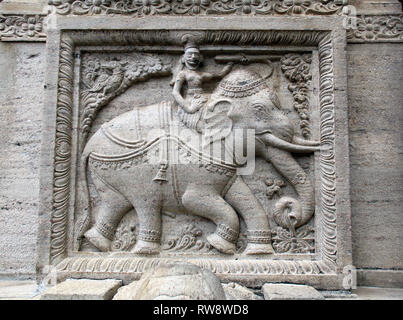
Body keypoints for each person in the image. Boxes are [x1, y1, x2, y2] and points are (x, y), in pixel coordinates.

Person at [171, 42, 233, 129]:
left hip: (204, 98)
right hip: (191, 101)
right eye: (189, 55)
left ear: (200, 58)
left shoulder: (202, 75)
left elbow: (219, 75)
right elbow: (175, 92)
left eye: (195, 55)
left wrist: (230, 64)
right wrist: (189, 108)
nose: (193, 57)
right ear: (183, 58)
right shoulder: (182, 74)